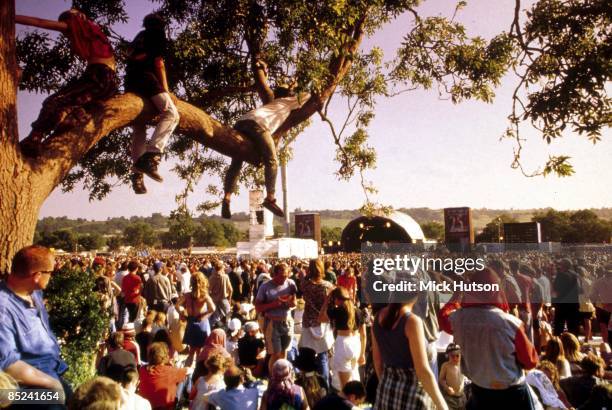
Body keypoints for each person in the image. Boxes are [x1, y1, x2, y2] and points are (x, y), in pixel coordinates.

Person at [16, 9, 119, 158]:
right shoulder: (96, 31)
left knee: (53, 101)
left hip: (98, 75)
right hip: (109, 84)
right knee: (71, 105)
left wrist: (11, 17)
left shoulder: (77, 24)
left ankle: (34, 138)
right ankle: (75, 116)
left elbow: (40, 22)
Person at [438, 268, 538, 410]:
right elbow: (530, 361)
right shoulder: (511, 323)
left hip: (480, 391)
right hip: (512, 393)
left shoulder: (457, 319)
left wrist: (457, 294)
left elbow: (442, 317)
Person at [221, 81, 310, 218]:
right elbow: (309, 95)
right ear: (289, 94)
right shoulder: (288, 101)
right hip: (258, 125)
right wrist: (296, 84)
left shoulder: (271, 105)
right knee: (272, 160)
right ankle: (270, 198)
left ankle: (227, 197)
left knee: (236, 162)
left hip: (241, 122)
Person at [0, 245, 69, 406]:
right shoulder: (3, 310)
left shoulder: (33, 292)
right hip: (24, 391)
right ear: (37, 275)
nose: (52, 276)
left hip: (52, 372)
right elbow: (8, 363)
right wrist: (52, 384)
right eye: (51, 272)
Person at [125, 13, 180, 194]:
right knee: (171, 114)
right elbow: (159, 63)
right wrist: (166, 91)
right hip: (146, 79)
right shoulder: (157, 34)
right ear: (161, 25)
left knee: (139, 127)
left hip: (130, 82)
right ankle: (152, 156)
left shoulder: (138, 37)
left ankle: (137, 175)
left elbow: (130, 57)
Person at [372, 288, 448, 410]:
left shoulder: (378, 317)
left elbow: (377, 362)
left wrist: (388, 385)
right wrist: (442, 405)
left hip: (386, 391)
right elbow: (422, 371)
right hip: (413, 395)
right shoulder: (412, 321)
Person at [319, 286, 366, 390]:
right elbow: (363, 335)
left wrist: (326, 301)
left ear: (337, 299)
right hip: (356, 343)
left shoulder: (337, 311)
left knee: (345, 387)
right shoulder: (358, 311)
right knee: (354, 375)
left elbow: (320, 318)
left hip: (343, 343)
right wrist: (362, 353)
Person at [255, 263, 297, 374]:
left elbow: (295, 302)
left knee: (284, 352)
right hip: (272, 324)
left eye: (286, 276)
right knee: (275, 354)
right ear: (274, 274)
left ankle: (283, 376)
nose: (284, 279)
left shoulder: (291, 284)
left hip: (287, 322)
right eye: (281, 276)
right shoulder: (265, 287)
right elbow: (258, 307)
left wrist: (291, 303)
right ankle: (273, 378)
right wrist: (273, 304)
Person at [299, 259, 334, 386]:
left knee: (308, 355)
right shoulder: (328, 286)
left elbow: (302, 281)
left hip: (308, 322)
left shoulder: (305, 285)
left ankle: (309, 384)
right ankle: (325, 387)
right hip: (323, 323)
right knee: (322, 356)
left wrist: (307, 274)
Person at [138, 342, 188, 410]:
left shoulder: (142, 369)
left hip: (144, 406)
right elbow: (188, 370)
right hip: (165, 407)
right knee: (183, 380)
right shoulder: (171, 371)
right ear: (165, 356)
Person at [180, 272, 215, 367]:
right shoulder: (205, 296)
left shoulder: (187, 295)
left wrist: (182, 313)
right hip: (201, 323)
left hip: (191, 322)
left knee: (191, 351)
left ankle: (186, 374)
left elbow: (176, 305)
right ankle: (198, 372)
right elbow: (213, 308)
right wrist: (204, 315)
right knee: (200, 351)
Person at [438, 343, 466, 410]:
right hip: (450, 397)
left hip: (461, 397)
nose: (455, 358)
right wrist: (446, 387)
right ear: (448, 356)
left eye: (457, 355)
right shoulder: (446, 366)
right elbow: (441, 380)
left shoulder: (463, 365)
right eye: (452, 356)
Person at [208, 260, 233, 328]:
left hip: (214, 299)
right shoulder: (225, 277)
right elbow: (230, 289)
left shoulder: (211, 278)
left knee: (216, 316)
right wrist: (229, 299)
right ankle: (229, 328)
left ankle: (215, 329)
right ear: (222, 268)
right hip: (223, 299)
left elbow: (208, 290)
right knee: (228, 314)